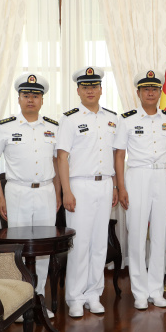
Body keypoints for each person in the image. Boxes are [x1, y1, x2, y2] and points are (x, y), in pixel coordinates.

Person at [0, 73, 61, 318]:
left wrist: (58, 193)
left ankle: (38, 299)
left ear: (42, 100)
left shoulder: (53, 126)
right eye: (26, 95)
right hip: (17, 191)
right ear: (18, 98)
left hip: (47, 192)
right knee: (16, 249)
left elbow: (58, 163)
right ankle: (18, 305)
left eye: (36, 95)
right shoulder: (5, 126)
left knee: (43, 247)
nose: (31, 99)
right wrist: (0, 196)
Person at [56, 66, 119, 318]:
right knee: (80, 243)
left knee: (99, 243)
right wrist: (66, 192)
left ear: (101, 90)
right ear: (78, 90)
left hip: (105, 184)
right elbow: (62, 158)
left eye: (94, 86)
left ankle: (94, 294)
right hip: (79, 185)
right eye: (85, 87)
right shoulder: (69, 118)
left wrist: (114, 185)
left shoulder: (113, 118)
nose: (90, 90)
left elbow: (115, 156)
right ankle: (75, 296)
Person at [114, 69, 166, 310]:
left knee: (160, 234)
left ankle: (156, 290)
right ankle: (140, 291)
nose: (151, 92)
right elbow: (119, 156)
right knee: (138, 234)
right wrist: (121, 187)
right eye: (146, 89)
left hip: (162, 176)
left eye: (155, 89)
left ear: (160, 92)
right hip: (137, 176)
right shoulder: (127, 119)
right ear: (138, 92)